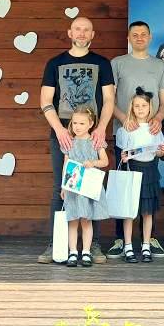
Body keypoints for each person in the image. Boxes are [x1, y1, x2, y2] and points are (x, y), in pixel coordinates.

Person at [38, 16, 116, 264]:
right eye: (77, 29)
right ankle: (57, 244)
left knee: (91, 187)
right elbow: (45, 101)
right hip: (63, 137)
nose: (81, 33)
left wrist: (101, 128)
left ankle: (93, 245)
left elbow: (109, 99)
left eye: (86, 30)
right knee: (60, 188)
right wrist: (60, 130)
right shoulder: (55, 63)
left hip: (92, 136)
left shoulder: (102, 63)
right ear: (70, 33)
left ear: (92, 35)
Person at [107, 21, 164, 259]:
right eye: (135, 34)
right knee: (125, 186)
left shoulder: (159, 65)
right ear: (128, 37)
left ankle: (149, 239)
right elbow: (109, 99)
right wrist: (125, 119)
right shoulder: (117, 63)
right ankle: (120, 239)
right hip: (125, 134)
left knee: (148, 189)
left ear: (150, 37)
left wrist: (158, 119)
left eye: (144, 34)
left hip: (149, 134)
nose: (140, 38)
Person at [115, 88, 164, 263]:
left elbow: (158, 152)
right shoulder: (126, 130)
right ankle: (128, 246)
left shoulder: (155, 129)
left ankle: (146, 245)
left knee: (147, 212)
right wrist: (124, 156)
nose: (140, 109)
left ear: (150, 107)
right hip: (132, 170)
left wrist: (162, 151)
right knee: (129, 212)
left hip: (149, 171)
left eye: (144, 106)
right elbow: (123, 154)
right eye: (136, 106)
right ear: (131, 107)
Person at [61, 107, 110, 268]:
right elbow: (66, 165)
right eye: (75, 123)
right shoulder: (69, 142)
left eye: (82, 123)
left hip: (88, 187)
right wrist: (63, 187)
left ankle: (86, 252)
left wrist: (93, 163)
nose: (77, 126)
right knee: (73, 220)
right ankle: (73, 252)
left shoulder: (95, 142)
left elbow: (105, 161)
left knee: (86, 220)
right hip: (73, 187)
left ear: (90, 124)